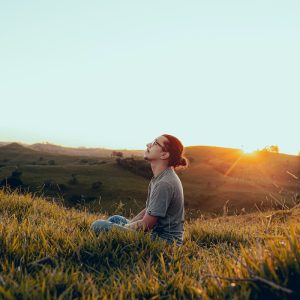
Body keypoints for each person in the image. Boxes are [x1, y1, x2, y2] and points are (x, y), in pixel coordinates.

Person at [90, 134, 189, 246]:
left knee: (97, 225)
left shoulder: (164, 183)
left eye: (155, 143)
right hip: (155, 234)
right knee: (116, 219)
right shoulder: (162, 177)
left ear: (164, 154)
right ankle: (110, 241)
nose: (148, 145)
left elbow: (146, 225)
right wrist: (128, 225)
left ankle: (110, 243)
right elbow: (149, 210)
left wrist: (125, 228)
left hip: (164, 243)